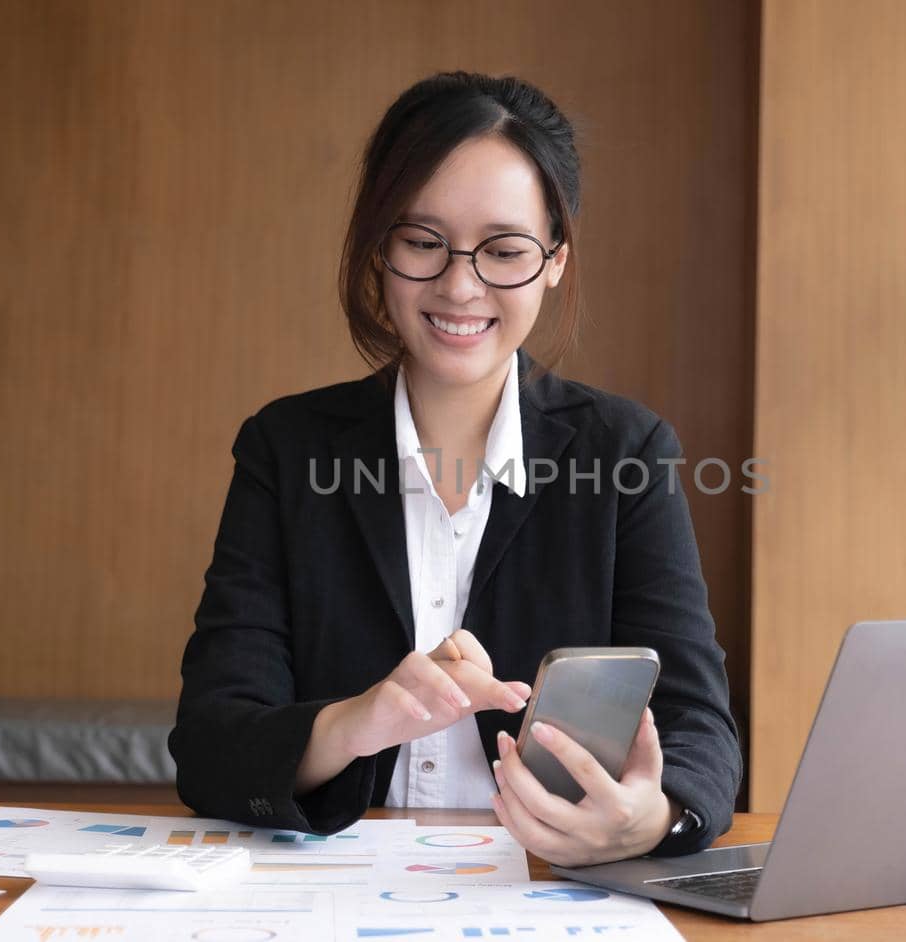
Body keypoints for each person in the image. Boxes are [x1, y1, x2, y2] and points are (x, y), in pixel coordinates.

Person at [169, 71, 741, 866]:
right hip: (329, 896)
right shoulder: (287, 449)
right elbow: (209, 745)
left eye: (504, 250)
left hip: (548, 896)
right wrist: (362, 719)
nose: (460, 284)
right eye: (423, 242)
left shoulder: (625, 452)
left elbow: (700, 730)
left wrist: (648, 818)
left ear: (554, 262)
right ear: (380, 246)